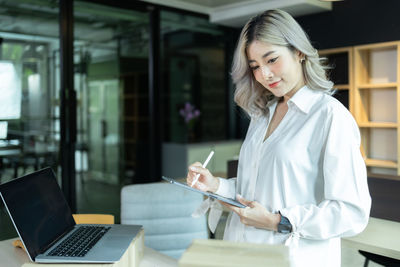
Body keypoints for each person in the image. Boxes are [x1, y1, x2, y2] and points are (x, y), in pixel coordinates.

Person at [186, 9, 371, 267]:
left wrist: (277, 221)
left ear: (298, 52)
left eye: (272, 60)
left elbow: (352, 213)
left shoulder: (329, 116)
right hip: (241, 254)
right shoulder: (262, 115)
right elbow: (258, 188)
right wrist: (216, 186)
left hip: (291, 259)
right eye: (255, 67)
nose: (265, 75)